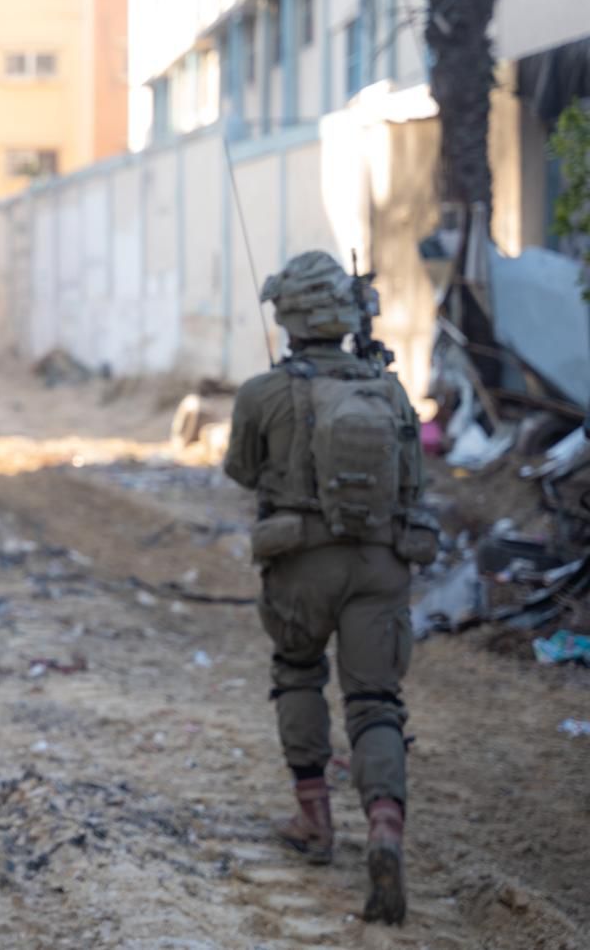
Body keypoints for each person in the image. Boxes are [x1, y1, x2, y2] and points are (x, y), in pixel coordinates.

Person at [223, 251, 438, 925]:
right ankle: (384, 827)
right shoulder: (389, 391)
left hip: (301, 564)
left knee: (298, 673)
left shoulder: (263, 391)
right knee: (375, 701)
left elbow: (241, 471)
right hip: (380, 564)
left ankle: (314, 820)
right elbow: (415, 482)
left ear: (287, 317)